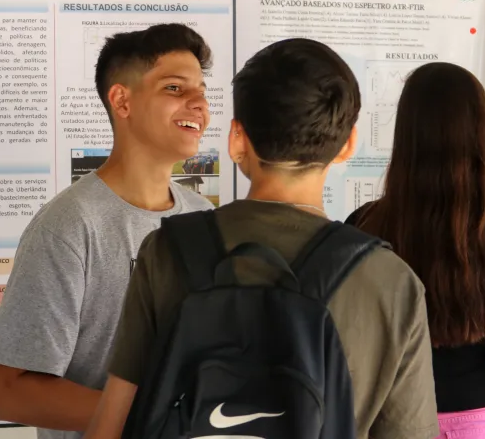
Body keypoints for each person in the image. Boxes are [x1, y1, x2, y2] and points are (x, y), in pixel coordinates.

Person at [83, 38, 440, 439]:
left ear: (237, 139)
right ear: (347, 146)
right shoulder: (390, 280)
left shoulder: (167, 251)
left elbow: (111, 424)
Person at [0, 23, 217, 439]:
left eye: (201, 90)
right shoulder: (69, 225)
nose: (199, 104)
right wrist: (156, 414)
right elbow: (6, 392)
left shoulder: (203, 218)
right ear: (122, 101)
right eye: (176, 89)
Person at [344, 62, 485, 438]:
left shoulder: (363, 226)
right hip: (478, 422)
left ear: (407, 134)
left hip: (388, 422)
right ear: (483, 134)